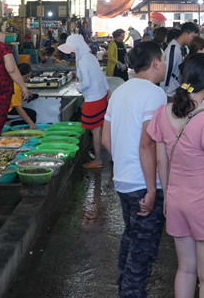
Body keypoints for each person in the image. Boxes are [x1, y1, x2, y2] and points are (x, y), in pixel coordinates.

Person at [147, 53, 204, 298]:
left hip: (176, 201)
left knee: (185, 271)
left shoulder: (163, 113)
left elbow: (161, 162)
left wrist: (168, 197)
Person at [101, 41, 169, 298]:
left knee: (131, 239)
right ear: (154, 63)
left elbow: (106, 140)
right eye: (162, 59)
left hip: (123, 181)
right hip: (143, 183)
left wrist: (124, 166)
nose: (164, 64)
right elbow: (147, 143)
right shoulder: (155, 94)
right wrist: (152, 189)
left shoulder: (120, 91)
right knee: (143, 253)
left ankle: (123, 289)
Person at [59, 34, 110, 169]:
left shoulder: (82, 61)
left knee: (95, 130)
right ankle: (112, 156)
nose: (71, 51)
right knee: (101, 129)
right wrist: (108, 91)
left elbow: (86, 83)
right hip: (101, 95)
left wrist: (78, 87)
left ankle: (98, 160)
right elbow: (101, 75)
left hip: (93, 99)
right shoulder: (90, 57)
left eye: (72, 48)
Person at [162, 21, 201, 98]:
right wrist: (163, 91)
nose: (194, 41)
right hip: (170, 92)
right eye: (193, 37)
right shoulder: (173, 49)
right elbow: (167, 71)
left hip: (178, 90)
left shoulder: (185, 48)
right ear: (185, 34)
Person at [7, 63, 38, 129]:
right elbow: (18, 108)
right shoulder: (16, 87)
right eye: (25, 77)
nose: (28, 79)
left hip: (7, 108)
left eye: (29, 76)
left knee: (31, 114)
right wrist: (31, 123)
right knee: (31, 116)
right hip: (7, 111)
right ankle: (8, 123)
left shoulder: (13, 81)